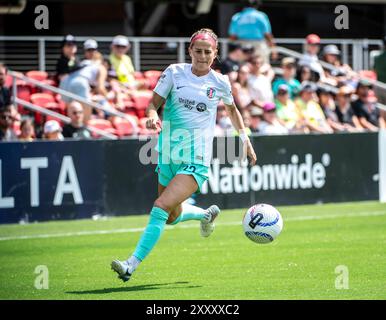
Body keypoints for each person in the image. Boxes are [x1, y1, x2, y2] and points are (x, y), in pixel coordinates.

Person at [111, 28, 257, 282]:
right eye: (197, 51)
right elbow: (152, 104)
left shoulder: (220, 82)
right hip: (168, 154)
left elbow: (232, 112)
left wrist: (245, 140)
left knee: (160, 207)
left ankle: (130, 265)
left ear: (215, 54)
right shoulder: (173, 72)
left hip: (195, 159)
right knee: (171, 217)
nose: (202, 56)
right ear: (189, 51)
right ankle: (204, 214)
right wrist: (151, 116)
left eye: (207, 52)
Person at [59, 54, 108, 123]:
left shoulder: (85, 63)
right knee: (86, 119)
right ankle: (84, 131)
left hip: (65, 82)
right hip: (79, 82)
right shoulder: (101, 67)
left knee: (73, 112)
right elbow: (100, 88)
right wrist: (108, 97)